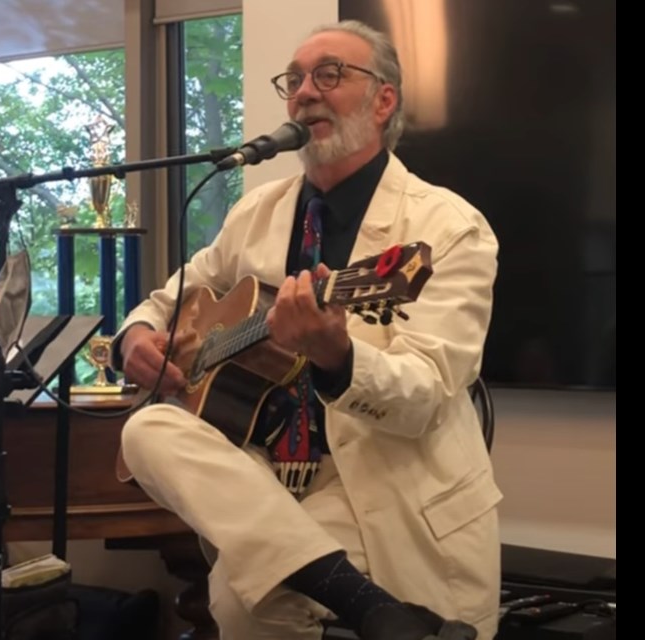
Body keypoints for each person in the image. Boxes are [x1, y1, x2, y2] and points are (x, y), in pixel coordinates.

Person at [113, 19, 501, 640]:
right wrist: (137, 336)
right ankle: (366, 603)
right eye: (294, 80)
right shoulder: (255, 212)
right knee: (148, 427)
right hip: (267, 481)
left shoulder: (448, 228)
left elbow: (428, 394)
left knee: (244, 604)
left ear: (384, 100)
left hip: (382, 488)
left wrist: (336, 354)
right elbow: (167, 298)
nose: (304, 93)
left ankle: (365, 600)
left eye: (329, 74)